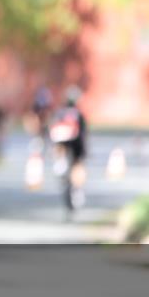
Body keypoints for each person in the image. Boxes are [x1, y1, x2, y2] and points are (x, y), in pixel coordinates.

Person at [49, 85, 88, 216]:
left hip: (62, 146)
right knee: (77, 166)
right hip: (75, 145)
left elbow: (53, 131)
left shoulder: (60, 113)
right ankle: (77, 189)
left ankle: (61, 168)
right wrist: (84, 152)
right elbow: (83, 135)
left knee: (65, 166)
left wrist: (54, 149)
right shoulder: (78, 114)